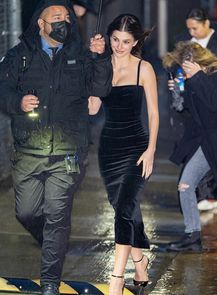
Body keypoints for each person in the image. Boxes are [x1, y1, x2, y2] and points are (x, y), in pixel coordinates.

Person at [0, 0, 112, 294]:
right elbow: (3, 91)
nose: (64, 21)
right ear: (41, 23)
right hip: (29, 152)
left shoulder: (81, 54)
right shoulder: (19, 56)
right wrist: (18, 103)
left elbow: (100, 88)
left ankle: (50, 281)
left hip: (67, 152)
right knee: (25, 212)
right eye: (56, 17)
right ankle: (53, 240)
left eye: (66, 17)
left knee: (57, 215)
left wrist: (100, 58)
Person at [89, 14, 159, 295]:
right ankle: (141, 261)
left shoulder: (144, 68)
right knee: (124, 209)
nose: (119, 46)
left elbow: (153, 114)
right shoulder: (102, 65)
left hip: (137, 148)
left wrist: (152, 149)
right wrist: (94, 63)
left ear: (136, 42)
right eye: (115, 39)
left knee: (125, 212)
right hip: (109, 149)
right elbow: (92, 109)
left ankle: (117, 280)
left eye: (126, 41)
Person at [163, 41, 217, 252]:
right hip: (206, 144)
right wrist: (178, 94)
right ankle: (192, 236)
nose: (184, 71)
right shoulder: (193, 82)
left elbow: (215, 103)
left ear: (198, 63)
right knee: (185, 184)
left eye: (187, 67)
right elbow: (189, 114)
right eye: (182, 68)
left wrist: (197, 77)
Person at [172, 8, 217, 211]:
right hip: (200, 116)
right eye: (188, 28)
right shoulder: (186, 42)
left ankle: (212, 195)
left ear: (207, 23)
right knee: (193, 169)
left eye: (195, 27)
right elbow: (176, 70)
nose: (191, 32)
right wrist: (179, 87)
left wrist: (202, 77)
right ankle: (202, 203)